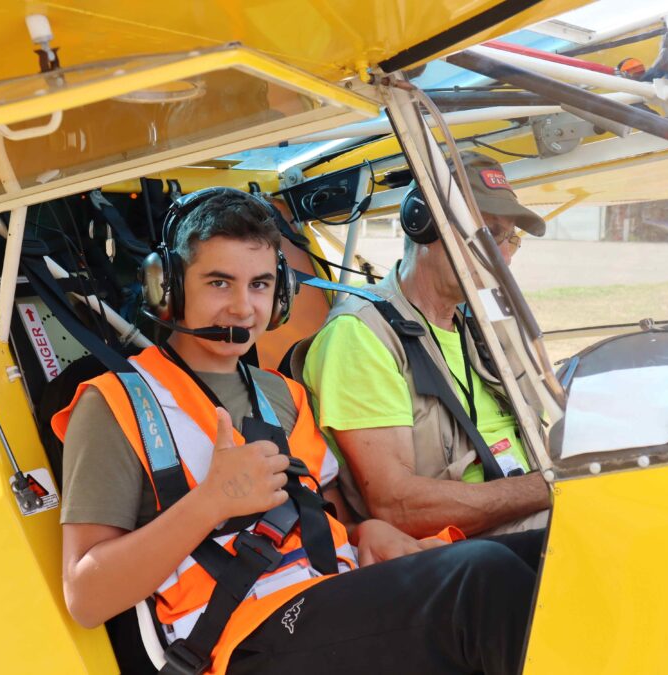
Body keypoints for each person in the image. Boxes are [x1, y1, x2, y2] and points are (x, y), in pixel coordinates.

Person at [52, 188, 541, 674]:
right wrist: (211, 503)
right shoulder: (113, 404)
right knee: (483, 580)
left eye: (261, 285)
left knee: (544, 553)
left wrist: (365, 531)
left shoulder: (283, 395)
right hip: (240, 637)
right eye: (219, 283)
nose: (243, 308)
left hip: (329, 598)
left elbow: (331, 524)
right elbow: (86, 597)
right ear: (170, 287)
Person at [298, 152, 551, 539]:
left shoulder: (482, 328)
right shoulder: (360, 336)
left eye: (511, 239)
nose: (503, 256)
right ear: (424, 226)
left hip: (526, 518)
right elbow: (397, 505)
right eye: (491, 233)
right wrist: (551, 486)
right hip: (462, 548)